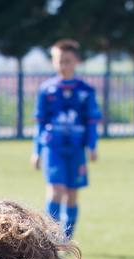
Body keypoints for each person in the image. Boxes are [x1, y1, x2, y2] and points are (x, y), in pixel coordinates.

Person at [33, 38, 101, 238]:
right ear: (54, 61)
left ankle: (67, 237)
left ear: (76, 61)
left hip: (76, 149)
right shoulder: (47, 89)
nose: (63, 65)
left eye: (67, 61)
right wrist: (36, 151)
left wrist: (92, 145)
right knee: (55, 191)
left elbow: (91, 121)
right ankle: (50, 237)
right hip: (53, 147)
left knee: (71, 194)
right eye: (59, 60)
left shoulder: (85, 91)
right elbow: (39, 121)